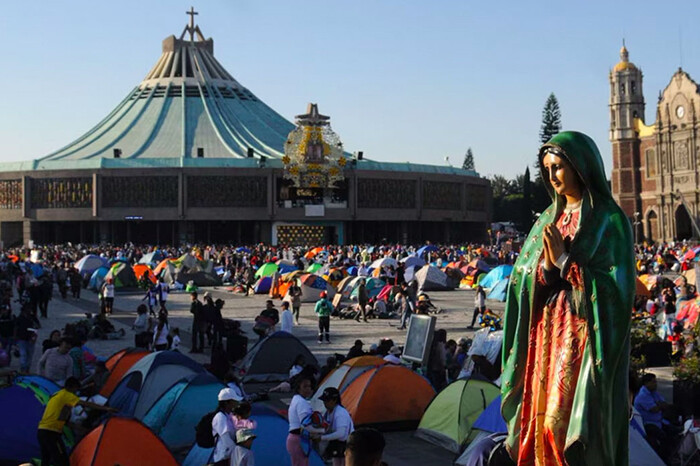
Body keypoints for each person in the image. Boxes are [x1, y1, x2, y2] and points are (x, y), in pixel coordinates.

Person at [501, 132, 635, 464]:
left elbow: (617, 289)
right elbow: (523, 278)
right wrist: (545, 269)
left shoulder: (609, 219)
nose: (552, 176)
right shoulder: (549, 218)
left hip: (583, 340)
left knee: (565, 424)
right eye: (547, 169)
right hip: (547, 336)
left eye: (559, 167)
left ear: (580, 166)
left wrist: (564, 263)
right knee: (543, 419)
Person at [37, 376, 115, 466]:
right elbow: (86, 404)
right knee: (62, 460)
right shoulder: (67, 395)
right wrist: (106, 408)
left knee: (46, 459)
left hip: (42, 431)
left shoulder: (57, 395)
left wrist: (82, 429)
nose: (76, 392)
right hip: (51, 433)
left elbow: (64, 421)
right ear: (72, 387)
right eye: (75, 389)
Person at [314, 387, 354, 466]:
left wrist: (321, 438)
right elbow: (327, 427)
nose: (325, 403)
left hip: (346, 444)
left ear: (334, 400)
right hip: (337, 444)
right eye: (324, 400)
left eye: (327, 400)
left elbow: (341, 434)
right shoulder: (329, 411)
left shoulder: (340, 414)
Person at [287, 375, 315, 466]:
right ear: (298, 388)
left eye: (309, 386)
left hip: (294, 439)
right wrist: (321, 431)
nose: (308, 389)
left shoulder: (296, 399)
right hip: (298, 439)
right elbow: (306, 424)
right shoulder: (301, 403)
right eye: (305, 386)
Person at [212, 388, 239, 466]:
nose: (237, 403)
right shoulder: (220, 417)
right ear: (227, 403)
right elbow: (226, 440)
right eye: (234, 401)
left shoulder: (229, 415)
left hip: (229, 457)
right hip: (222, 458)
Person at [14, 305, 38, 374]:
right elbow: (16, 327)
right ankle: (23, 368)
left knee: (30, 355)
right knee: (23, 354)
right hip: (22, 339)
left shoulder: (32, 318)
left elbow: (36, 327)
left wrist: (34, 337)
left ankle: (27, 368)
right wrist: (15, 336)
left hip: (30, 339)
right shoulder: (19, 318)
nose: (29, 311)